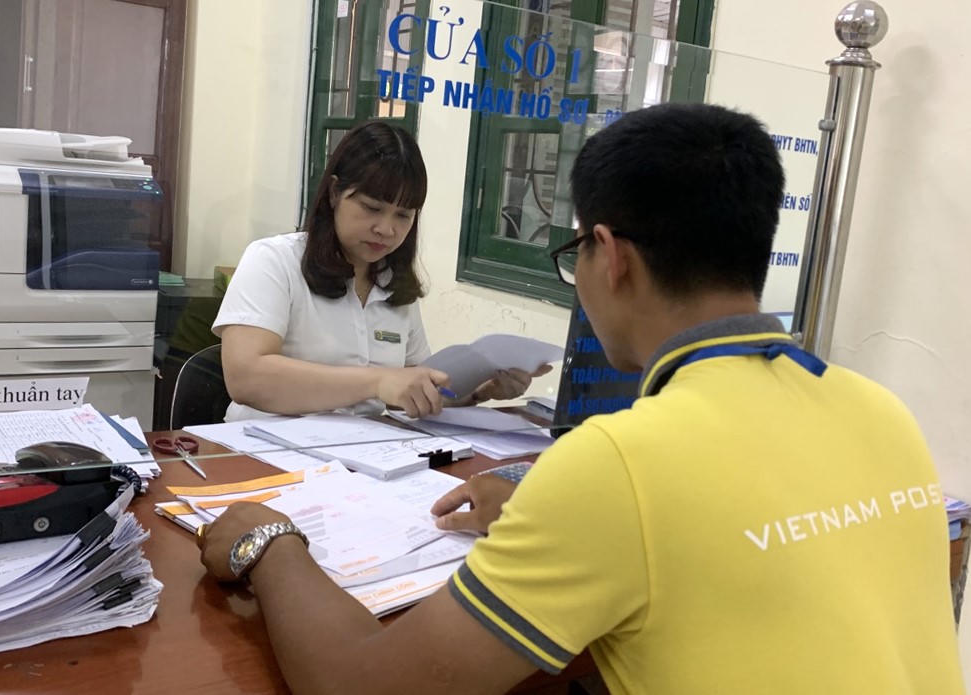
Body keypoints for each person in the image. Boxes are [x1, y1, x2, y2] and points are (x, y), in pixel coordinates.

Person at [197, 103, 965, 693]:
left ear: (609, 256)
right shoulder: (880, 410)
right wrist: (548, 507)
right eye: (375, 207)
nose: (388, 227)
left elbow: (363, 685)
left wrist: (272, 541)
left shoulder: (617, 465)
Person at [213, 120, 548, 421]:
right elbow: (246, 377)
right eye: (372, 208)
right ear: (334, 193)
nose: (386, 229)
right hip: (260, 453)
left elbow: (410, 394)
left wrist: (479, 392)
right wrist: (378, 381)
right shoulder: (274, 260)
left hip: (361, 455)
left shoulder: (393, 283)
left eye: (403, 215)